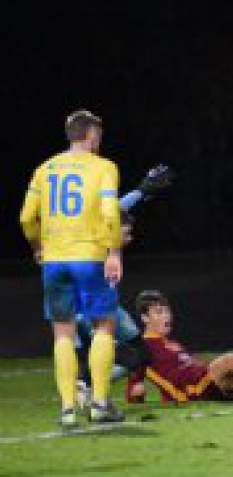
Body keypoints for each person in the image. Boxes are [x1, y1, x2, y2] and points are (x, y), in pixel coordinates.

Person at [19, 109, 126, 426]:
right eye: (99, 135)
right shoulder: (104, 167)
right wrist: (114, 252)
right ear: (92, 135)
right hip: (90, 256)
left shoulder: (45, 169)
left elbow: (26, 217)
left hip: (54, 260)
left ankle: (68, 409)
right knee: (104, 325)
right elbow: (110, 212)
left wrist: (37, 246)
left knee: (62, 332)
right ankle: (100, 403)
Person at [74, 164, 176, 405]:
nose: (130, 238)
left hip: (109, 307)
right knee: (120, 356)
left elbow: (119, 208)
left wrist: (142, 190)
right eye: (127, 233)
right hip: (89, 310)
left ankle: (89, 384)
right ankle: (89, 387)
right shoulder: (95, 241)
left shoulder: (111, 228)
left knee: (142, 356)